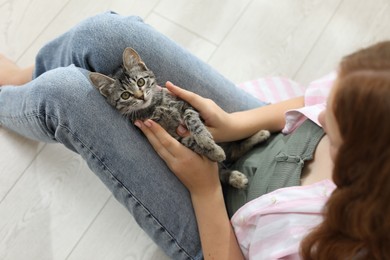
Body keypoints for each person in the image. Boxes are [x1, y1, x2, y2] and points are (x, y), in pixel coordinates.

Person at [0, 12, 388, 259]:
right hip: (270, 139)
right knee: (105, 34)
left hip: (224, 231)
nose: (323, 107)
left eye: (333, 128)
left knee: (65, 95)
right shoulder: (371, 97)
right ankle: (23, 79)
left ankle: (7, 100)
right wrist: (237, 124)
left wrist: (205, 190)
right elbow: (313, 101)